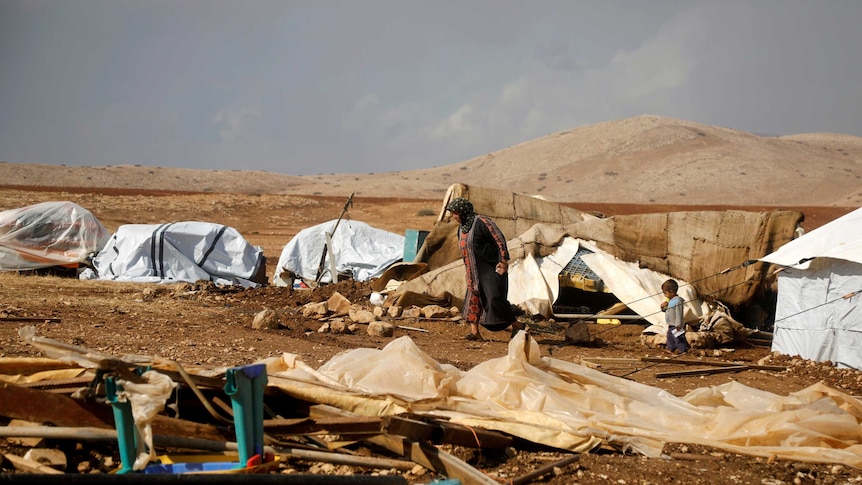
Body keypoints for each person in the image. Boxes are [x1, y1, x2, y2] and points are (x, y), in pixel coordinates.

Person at [445, 197, 525, 341]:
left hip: (490, 270)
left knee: (495, 299)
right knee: (473, 300)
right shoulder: (462, 228)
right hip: (473, 272)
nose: (454, 216)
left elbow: (498, 238)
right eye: (453, 213)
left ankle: (517, 325)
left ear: (464, 211)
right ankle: (475, 332)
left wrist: (503, 260)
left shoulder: (482, 222)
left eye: (456, 213)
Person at [660, 279, 688, 354]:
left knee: (678, 337)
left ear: (672, 291)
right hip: (670, 323)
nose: (664, 295)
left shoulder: (677, 301)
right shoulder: (670, 301)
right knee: (670, 337)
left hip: (676, 324)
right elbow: (665, 310)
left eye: (665, 293)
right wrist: (663, 307)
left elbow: (679, 313)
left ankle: (683, 349)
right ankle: (671, 348)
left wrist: (678, 324)